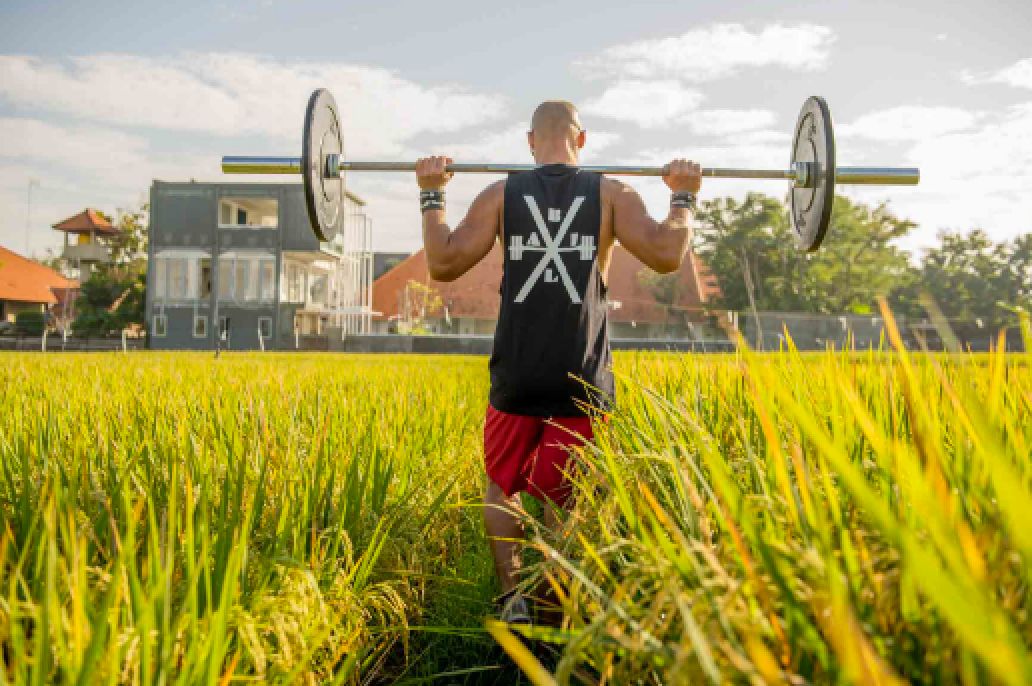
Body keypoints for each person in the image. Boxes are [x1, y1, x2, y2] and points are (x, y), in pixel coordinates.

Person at [415, 100, 701, 624]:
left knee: (503, 485)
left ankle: (511, 600)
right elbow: (666, 254)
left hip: (517, 373)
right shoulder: (613, 193)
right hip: (582, 374)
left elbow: (444, 262)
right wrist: (682, 195)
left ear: (530, 141)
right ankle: (555, 606)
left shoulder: (500, 194)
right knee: (565, 496)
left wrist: (432, 192)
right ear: (582, 139)